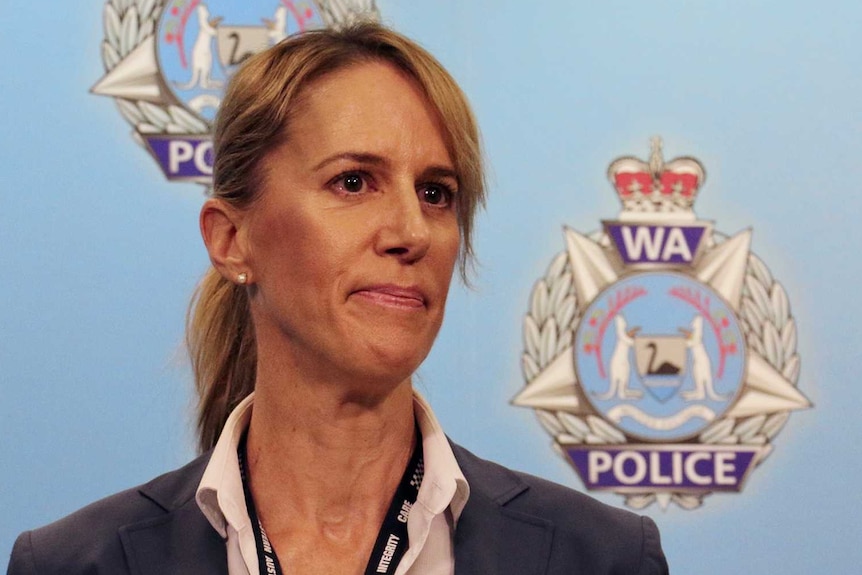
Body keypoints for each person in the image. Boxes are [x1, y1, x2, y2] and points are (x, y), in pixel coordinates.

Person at [7, 22, 669, 575]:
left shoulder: (599, 558)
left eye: (436, 192)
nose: (411, 231)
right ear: (233, 238)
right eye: (354, 182)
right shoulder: (77, 563)